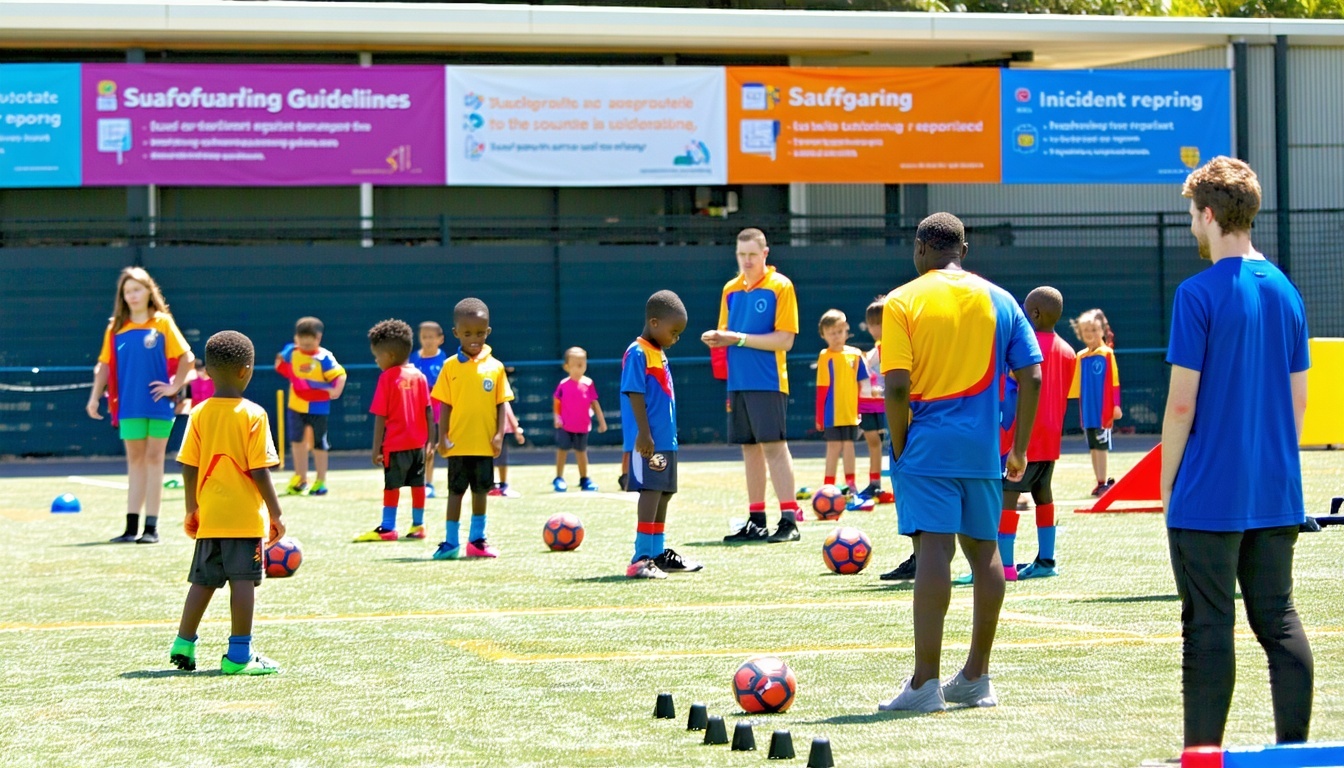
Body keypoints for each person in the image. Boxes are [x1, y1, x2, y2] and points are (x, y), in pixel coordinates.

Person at [1162, 156, 1313, 748]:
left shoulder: (1196, 293)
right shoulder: (1286, 289)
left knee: (1207, 629)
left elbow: (1181, 407)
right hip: (1277, 489)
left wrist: (1169, 484)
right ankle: (1296, 753)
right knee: (1278, 620)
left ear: (1207, 213)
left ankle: (1201, 757)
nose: (1193, 229)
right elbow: (1298, 402)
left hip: (1208, 493)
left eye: (1192, 218)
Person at [878, 212, 1041, 714]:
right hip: (982, 447)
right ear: (963, 251)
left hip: (927, 442)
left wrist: (901, 443)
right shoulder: (1002, 299)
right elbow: (1032, 377)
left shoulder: (903, 299)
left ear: (921, 248)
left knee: (933, 550)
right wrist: (1018, 448)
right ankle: (976, 677)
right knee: (985, 553)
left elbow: (899, 385)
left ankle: (924, 685)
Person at [171, 330, 285, 675]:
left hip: (211, 514)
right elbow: (259, 470)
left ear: (209, 371)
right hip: (243, 517)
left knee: (202, 582)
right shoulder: (253, 414)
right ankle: (239, 657)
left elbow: (189, 465)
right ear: (245, 371)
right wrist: (276, 513)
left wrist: (192, 507)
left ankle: (183, 643)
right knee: (243, 582)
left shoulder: (200, 413)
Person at [702, 228, 803, 544]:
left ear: (765, 254)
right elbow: (725, 332)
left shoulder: (780, 286)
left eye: (752, 254)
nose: (746, 260)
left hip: (769, 380)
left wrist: (738, 338)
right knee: (749, 449)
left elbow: (785, 340)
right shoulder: (730, 289)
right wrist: (717, 339)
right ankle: (756, 519)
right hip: (739, 381)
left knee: (774, 446)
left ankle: (789, 520)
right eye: (741, 254)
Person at [86, 266, 195, 544]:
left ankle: (151, 528)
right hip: (129, 406)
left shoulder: (162, 323)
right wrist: (94, 396)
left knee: (154, 460)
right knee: (135, 461)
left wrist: (174, 386)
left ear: (149, 291)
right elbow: (104, 364)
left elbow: (187, 358)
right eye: (127, 291)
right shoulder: (116, 327)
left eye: (137, 289)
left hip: (159, 405)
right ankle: (130, 527)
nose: (132, 296)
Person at [622, 290, 702, 579]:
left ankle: (658, 553)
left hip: (666, 440)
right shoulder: (638, 352)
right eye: (674, 331)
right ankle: (641, 557)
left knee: (664, 493)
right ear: (654, 323)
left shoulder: (658, 352)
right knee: (651, 491)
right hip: (649, 441)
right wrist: (643, 434)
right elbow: (634, 392)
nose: (676, 338)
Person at [998, 287, 1076, 581]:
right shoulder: (1069, 351)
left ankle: (1004, 566)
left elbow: (1016, 384)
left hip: (1023, 438)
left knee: (1007, 495)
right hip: (1051, 438)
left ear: (1034, 314)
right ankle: (1047, 560)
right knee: (1044, 494)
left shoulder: (1025, 346)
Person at [431, 298, 514, 560]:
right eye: (467, 333)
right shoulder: (449, 367)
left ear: (488, 331)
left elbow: (501, 403)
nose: (474, 338)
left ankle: (477, 541)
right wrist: (442, 436)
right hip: (457, 444)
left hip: (484, 444)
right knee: (455, 493)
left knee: (481, 492)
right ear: (456, 333)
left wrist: (499, 434)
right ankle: (450, 542)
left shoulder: (496, 367)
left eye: (480, 332)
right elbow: (445, 404)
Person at [355, 319, 432, 543]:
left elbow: (381, 416)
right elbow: (428, 412)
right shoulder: (420, 376)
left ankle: (388, 528)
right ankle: (418, 525)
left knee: (392, 486)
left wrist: (376, 448)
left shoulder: (387, 378)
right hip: (418, 444)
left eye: (376, 356)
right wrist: (431, 442)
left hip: (395, 445)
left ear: (388, 356)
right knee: (418, 485)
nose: (376, 361)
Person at [275, 316, 346, 496]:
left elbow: (340, 375)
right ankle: (300, 479)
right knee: (297, 442)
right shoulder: (291, 352)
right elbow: (280, 364)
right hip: (296, 406)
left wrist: (335, 390)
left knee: (318, 444)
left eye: (310, 340)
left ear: (318, 338)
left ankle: (320, 481)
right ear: (296, 338)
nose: (305, 343)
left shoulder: (324, 357)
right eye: (301, 339)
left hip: (318, 408)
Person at [1068, 308, 1122, 496]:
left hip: (1103, 410)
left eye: (1093, 330)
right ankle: (1100, 482)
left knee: (1101, 446)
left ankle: (1105, 481)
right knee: (1092, 446)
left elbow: (1114, 381)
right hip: (1088, 410)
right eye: (1086, 331)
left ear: (1102, 330)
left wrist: (1116, 405)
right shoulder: (1081, 356)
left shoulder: (1106, 354)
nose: (1090, 334)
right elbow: (1075, 384)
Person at [814, 309, 868, 495]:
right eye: (831, 333)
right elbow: (822, 388)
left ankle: (851, 484)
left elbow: (863, 384)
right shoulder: (825, 356)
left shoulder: (855, 355)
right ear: (823, 335)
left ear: (846, 330)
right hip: (832, 413)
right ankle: (828, 485)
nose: (836, 336)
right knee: (834, 447)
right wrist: (820, 416)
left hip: (851, 412)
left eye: (839, 331)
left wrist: (862, 408)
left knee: (849, 445)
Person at [552, 346, 607, 492]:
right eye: (576, 364)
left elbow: (594, 403)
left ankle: (584, 479)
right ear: (566, 366)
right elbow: (557, 401)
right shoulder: (563, 384)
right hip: (565, 426)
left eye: (582, 364)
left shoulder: (589, 383)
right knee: (562, 450)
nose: (580, 367)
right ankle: (559, 478)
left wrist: (602, 422)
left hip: (582, 426)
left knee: (581, 452)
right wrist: (557, 418)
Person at [409, 321, 449, 498]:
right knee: (421, 448)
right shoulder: (413, 358)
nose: (427, 341)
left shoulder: (445, 360)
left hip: (439, 410)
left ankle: (430, 483)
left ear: (440, 339)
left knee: (434, 447)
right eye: (424, 337)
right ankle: (421, 482)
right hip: (418, 409)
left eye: (431, 337)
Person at [857, 298, 888, 503]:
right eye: (871, 324)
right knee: (873, 442)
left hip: (888, 405)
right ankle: (874, 483)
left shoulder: (895, 348)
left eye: (879, 323)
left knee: (894, 444)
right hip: (868, 404)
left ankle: (898, 482)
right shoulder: (871, 353)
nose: (874, 328)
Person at [489, 398, 526, 498]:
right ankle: (489, 485)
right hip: (486, 429)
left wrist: (516, 429)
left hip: (501, 433)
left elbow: (507, 410)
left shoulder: (502, 395)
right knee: (486, 459)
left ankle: (503, 485)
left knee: (502, 459)